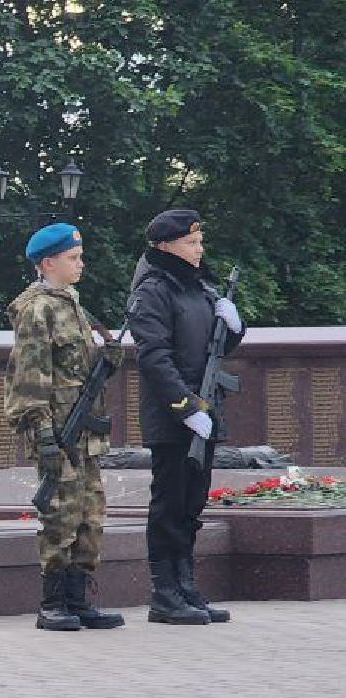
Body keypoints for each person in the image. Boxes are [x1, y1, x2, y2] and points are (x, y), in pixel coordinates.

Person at [3, 222, 126, 631]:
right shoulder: (38, 309)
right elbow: (30, 377)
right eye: (73, 258)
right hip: (57, 433)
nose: (81, 264)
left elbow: (75, 370)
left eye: (80, 256)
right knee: (61, 517)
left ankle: (79, 598)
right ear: (48, 262)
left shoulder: (73, 304)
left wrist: (106, 359)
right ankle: (52, 602)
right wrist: (41, 433)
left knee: (90, 516)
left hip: (85, 436)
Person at [128, 209, 244, 624]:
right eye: (191, 243)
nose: (200, 249)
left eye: (199, 241)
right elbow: (154, 358)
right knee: (169, 504)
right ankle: (164, 594)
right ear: (165, 245)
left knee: (192, 504)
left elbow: (214, 348)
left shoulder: (200, 288)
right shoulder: (154, 291)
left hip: (206, 410)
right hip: (175, 417)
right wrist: (186, 407)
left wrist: (233, 327)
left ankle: (186, 586)